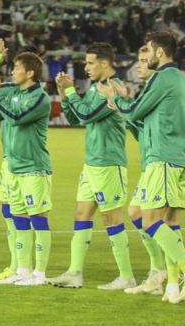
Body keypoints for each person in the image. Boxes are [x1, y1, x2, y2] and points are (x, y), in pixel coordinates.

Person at [99, 31, 185, 304]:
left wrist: (116, 100)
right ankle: (171, 284)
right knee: (167, 220)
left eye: (148, 50)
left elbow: (135, 112)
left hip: (164, 158)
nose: (145, 56)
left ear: (160, 52)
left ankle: (174, 274)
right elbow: (142, 122)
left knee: (150, 219)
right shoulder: (177, 78)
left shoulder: (163, 77)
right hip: (170, 157)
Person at [48, 43, 136, 290]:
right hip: (92, 163)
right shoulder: (97, 88)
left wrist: (71, 93)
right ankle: (75, 273)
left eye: (90, 63)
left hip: (109, 163)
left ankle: (127, 276)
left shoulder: (111, 88)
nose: (85, 67)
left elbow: (86, 115)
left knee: (111, 218)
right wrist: (66, 94)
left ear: (105, 64)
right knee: (81, 214)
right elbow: (77, 117)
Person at [0, 52, 53, 287]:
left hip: (34, 168)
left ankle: (40, 274)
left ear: (30, 73)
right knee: (19, 218)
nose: (12, 71)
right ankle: (23, 270)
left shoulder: (40, 98)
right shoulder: (11, 91)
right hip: (14, 167)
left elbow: (16, 118)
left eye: (16, 67)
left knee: (38, 218)